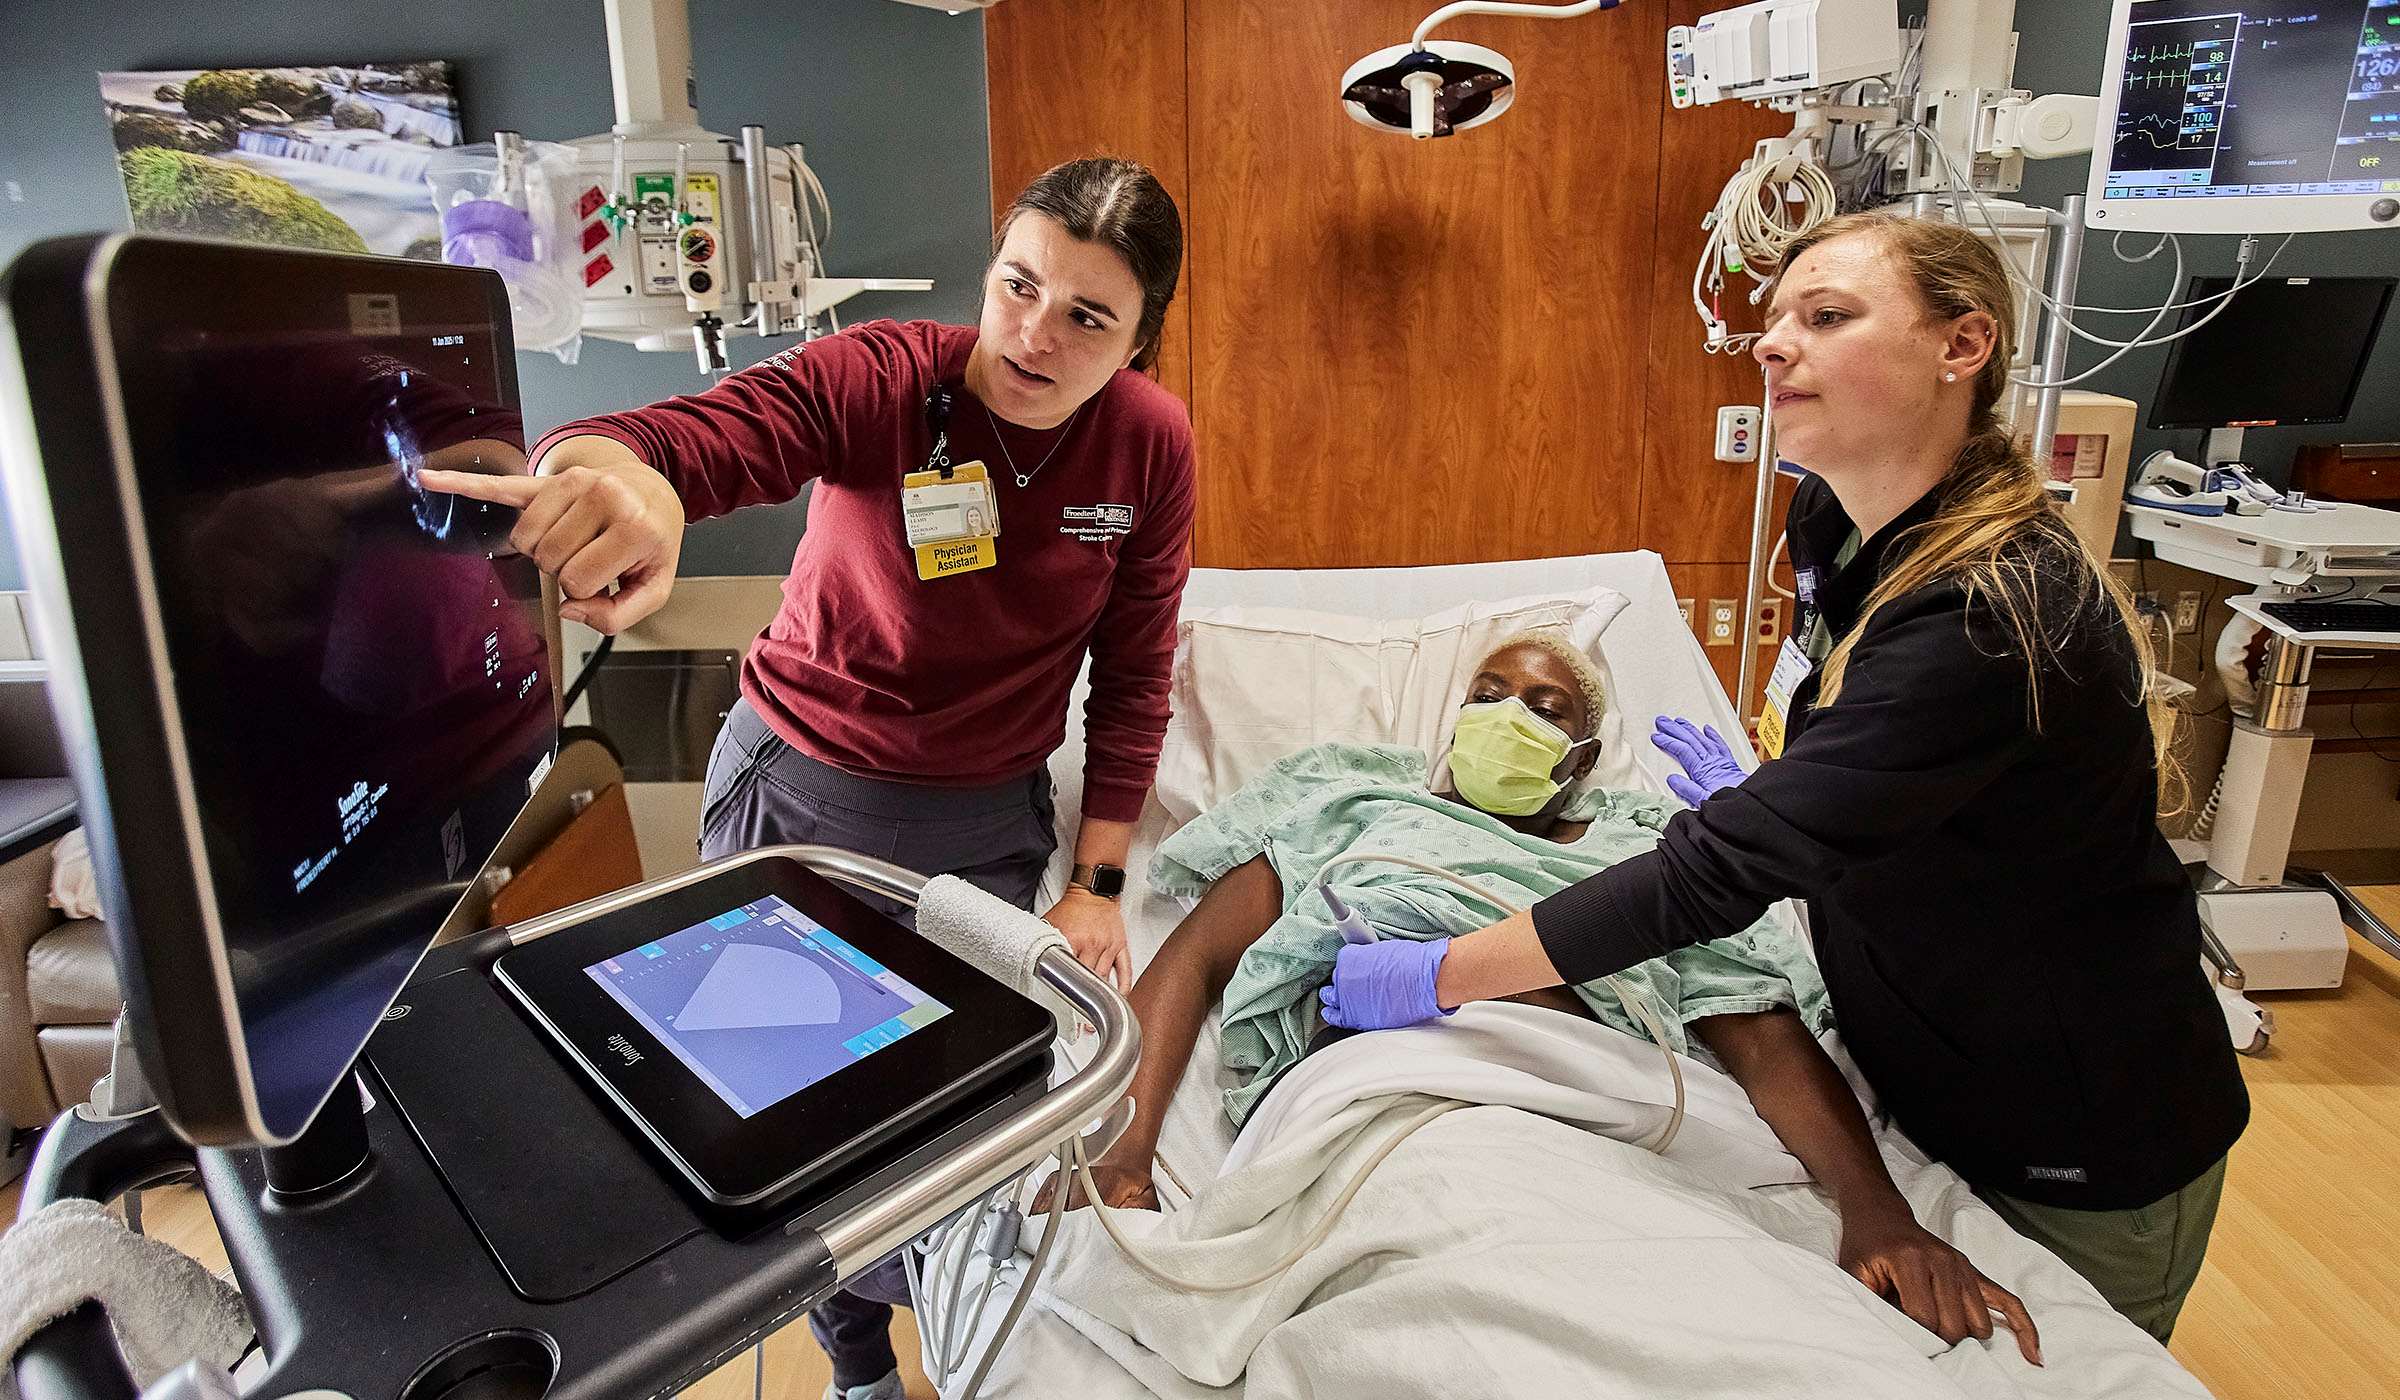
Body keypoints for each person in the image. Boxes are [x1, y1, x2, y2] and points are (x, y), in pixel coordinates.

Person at [1323, 214, 2247, 1345]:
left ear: (1962, 345)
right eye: (1771, 322)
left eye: (1826, 316)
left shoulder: (1994, 613)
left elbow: (1711, 882)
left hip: (2079, 1127)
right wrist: (1791, 779)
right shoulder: (1838, 521)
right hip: (1905, 1065)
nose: (1769, 345)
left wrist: (1441, 971)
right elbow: (1859, 748)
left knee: (2048, 1361)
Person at [425, 157, 1193, 1400]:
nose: (1033, 335)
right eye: (1017, 286)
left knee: (940, 1132)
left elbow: (1138, 671)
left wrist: (1097, 882)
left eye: (1086, 316)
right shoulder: (888, 376)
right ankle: (854, 1371)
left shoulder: (1149, 448)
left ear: (1139, 341)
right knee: (783, 1118)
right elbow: (698, 434)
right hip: (800, 790)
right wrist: (615, 478)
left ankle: (943, 1334)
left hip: (984, 824)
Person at [1039, 632, 2040, 1360]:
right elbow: (1199, 959)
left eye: (1545, 706)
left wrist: (1878, 1212)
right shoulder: (1354, 806)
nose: (1506, 715)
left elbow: (1760, 1031)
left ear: (1585, 758)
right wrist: (1124, 1150)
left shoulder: (1655, 852)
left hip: (1598, 1113)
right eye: (1486, 691)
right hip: (1391, 1104)